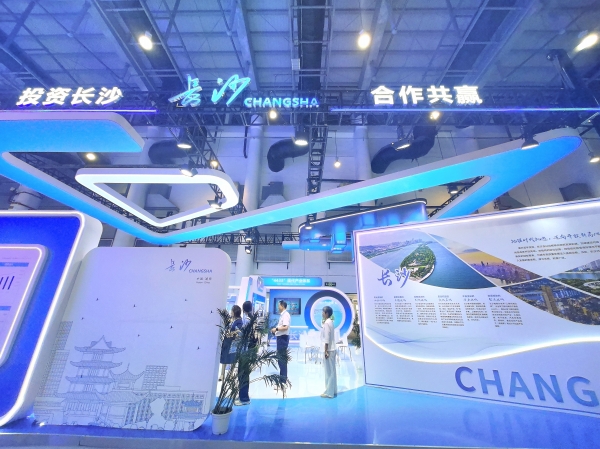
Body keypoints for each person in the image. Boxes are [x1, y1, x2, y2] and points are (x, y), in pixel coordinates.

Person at [235, 301, 253, 406]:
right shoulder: (251, 318)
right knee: (243, 373)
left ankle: (244, 398)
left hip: (244, 350)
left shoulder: (246, 319)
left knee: (243, 374)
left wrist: (236, 332)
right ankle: (242, 395)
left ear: (243, 308)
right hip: (247, 350)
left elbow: (244, 334)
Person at [271, 300, 290, 385]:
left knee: (282, 360)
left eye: (279, 305)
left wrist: (276, 329)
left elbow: (285, 327)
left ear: (282, 306)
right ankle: (282, 378)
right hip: (280, 338)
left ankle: (283, 381)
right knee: (280, 360)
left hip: (283, 339)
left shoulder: (286, 315)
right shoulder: (282, 315)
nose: (278, 307)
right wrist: (275, 331)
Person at [320, 306, 337, 398]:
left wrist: (326, 351)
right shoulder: (330, 322)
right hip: (332, 349)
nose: (322, 313)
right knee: (332, 371)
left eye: (323, 312)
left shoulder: (327, 323)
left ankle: (329, 393)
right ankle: (333, 390)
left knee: (329, 372)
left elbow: (326, 338)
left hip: (329, 350)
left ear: (326, 313)